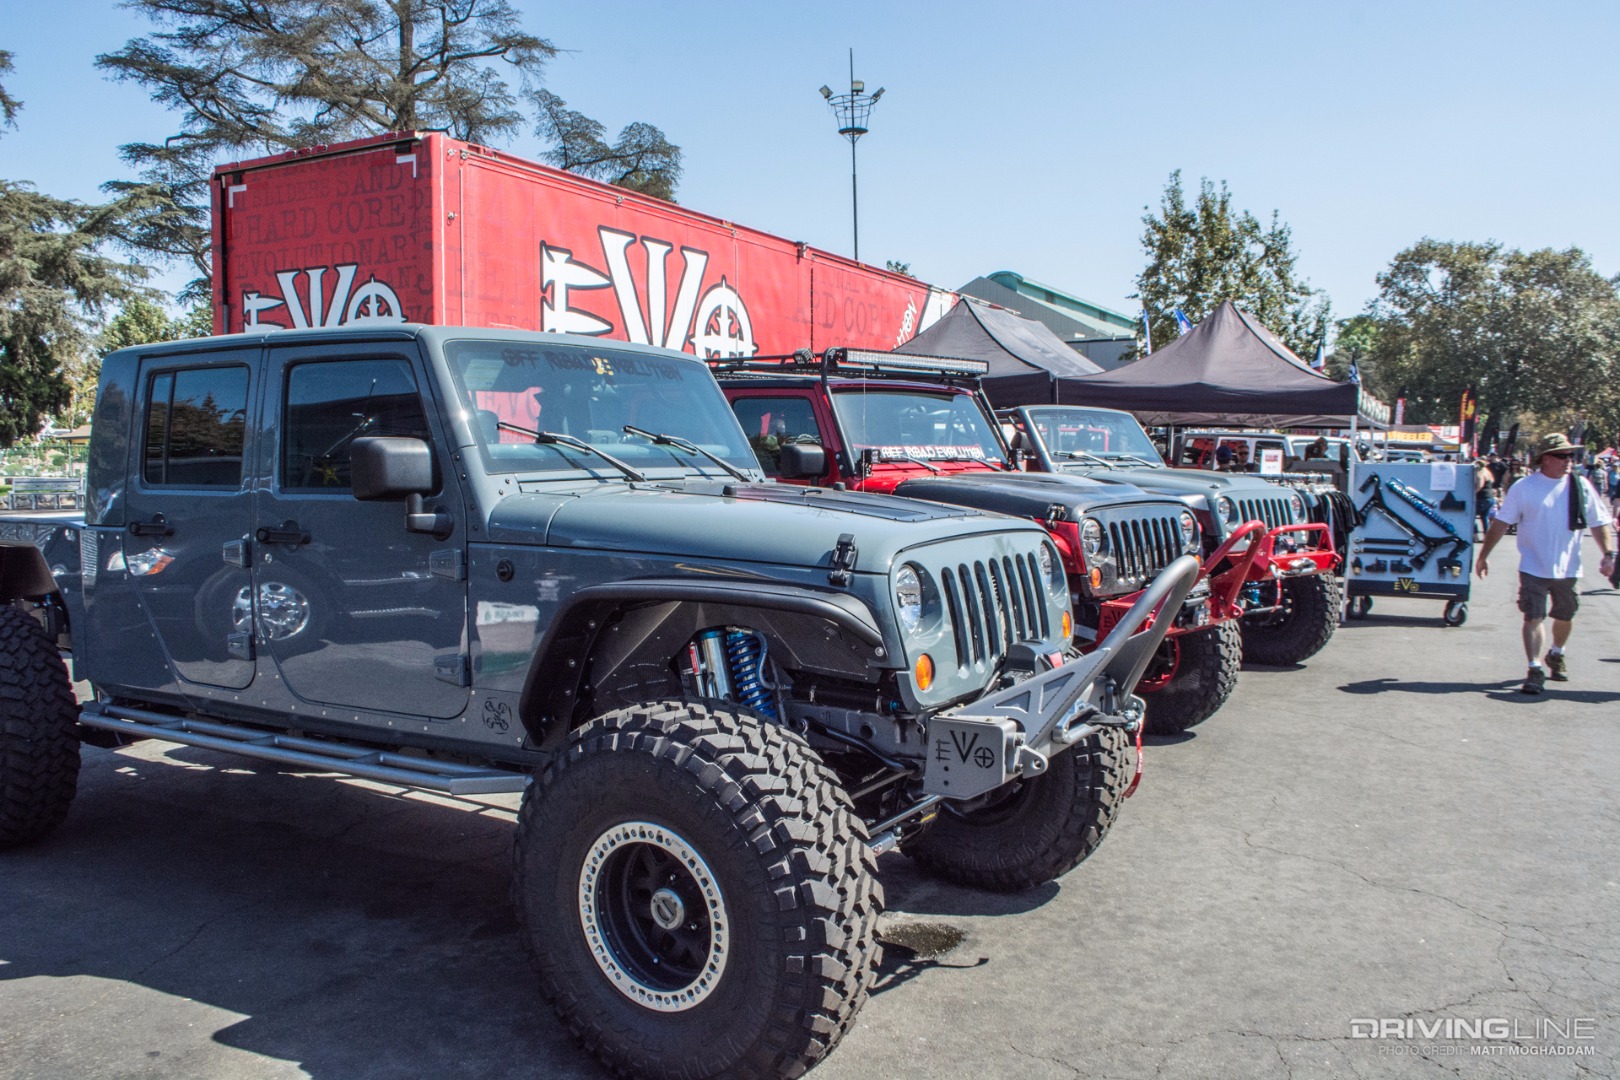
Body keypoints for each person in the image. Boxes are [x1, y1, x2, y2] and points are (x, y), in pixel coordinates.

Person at [1476, 433, 1616, 694]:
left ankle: (1557, 652)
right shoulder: (1525, 487)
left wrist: (1609, 553)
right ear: (1546, 459)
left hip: (1569, 568)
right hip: (1533, 566)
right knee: (1534, 616)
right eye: (1563, 455)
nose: (1569, 460)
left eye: (1570, 456)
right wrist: (1484, 555)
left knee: (1565, 615)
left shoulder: (1581, 485)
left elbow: (1598, 523)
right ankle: (1535, 667)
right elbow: (1501, 523)